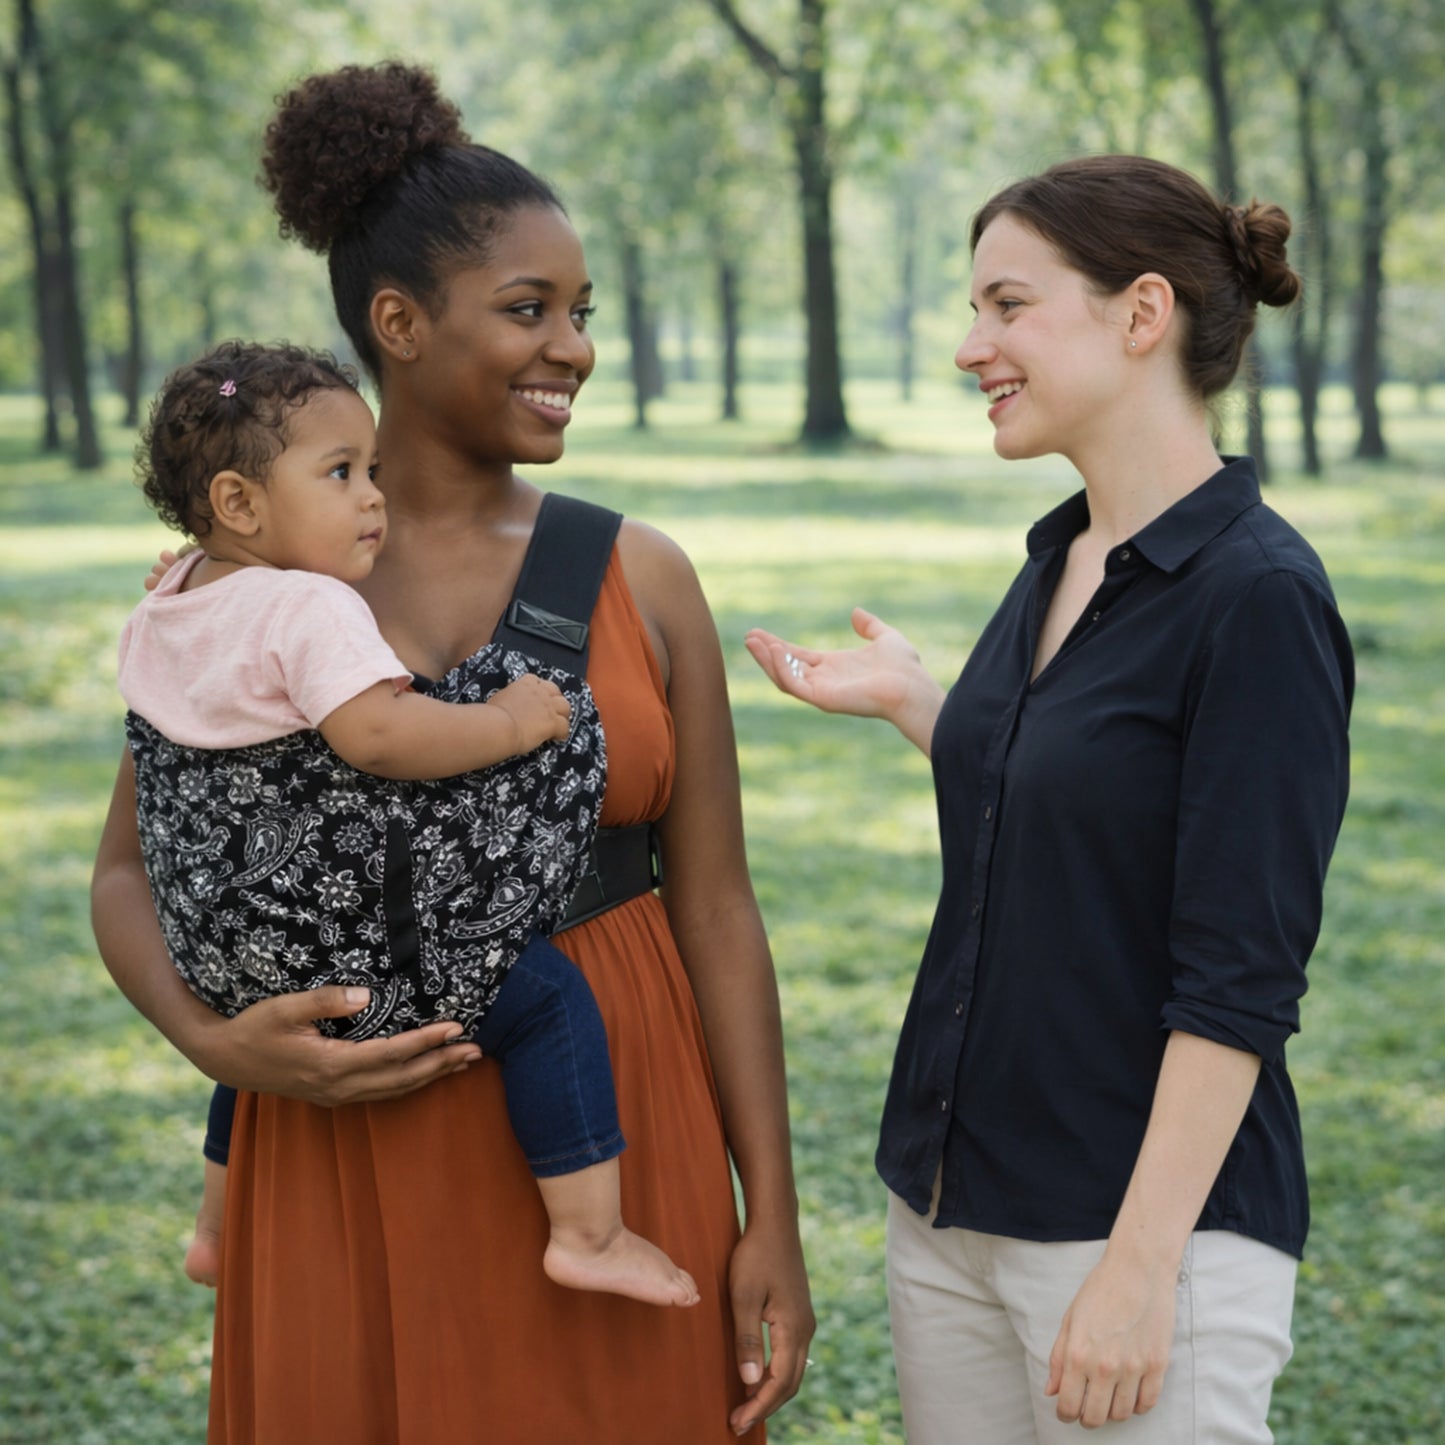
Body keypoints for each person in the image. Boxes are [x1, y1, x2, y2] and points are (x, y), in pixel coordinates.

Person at [92, 61, 812, 1442]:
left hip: (616, 1130)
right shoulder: (241, 597)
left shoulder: (643, 575)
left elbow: (717, 906)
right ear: (399, 322)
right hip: (336, 1142)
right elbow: (130, 869)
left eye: (581, 314)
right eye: (530, 309)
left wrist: (767, 1213)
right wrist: (219, 1044)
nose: (573, 349)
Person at [747, 154, 1352, 1442]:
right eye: (974, 310)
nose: (971, 346)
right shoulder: (1061, 555)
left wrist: (1138, 1270)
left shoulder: (1256, 597)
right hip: (949, 1202)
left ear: (1141, 313)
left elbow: (1238, 978)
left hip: (1136, 1237)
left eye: (1007, 305)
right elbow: (1085, 808)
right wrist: (931, 708)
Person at [120, 337, 701, 1312]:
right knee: (545, 999)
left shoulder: (166, 603)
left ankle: (215, 1223)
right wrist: (509, 721)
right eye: (341, 473)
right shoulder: (309, 605)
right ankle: (588, 1232)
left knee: (269, 1007)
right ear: (238, 504)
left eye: (372, 469)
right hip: (368, 944)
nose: (371, 497)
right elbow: (381, 736)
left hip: (228, 955)